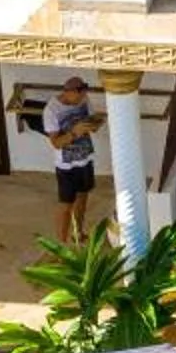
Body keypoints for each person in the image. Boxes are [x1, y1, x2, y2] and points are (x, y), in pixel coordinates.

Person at [43, 77, 105, 243]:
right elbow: (56, 143)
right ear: (68, 92)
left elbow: (91, 121)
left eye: (84, 95)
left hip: (85, 159)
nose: (82, 99)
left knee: (82, 198)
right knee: (66, 205)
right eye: (79, 96)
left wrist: (95, 124)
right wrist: (74, 132)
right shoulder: (52, 110)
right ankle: (61, 245)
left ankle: (78, 233)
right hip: (66, 166)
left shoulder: (84, 99)